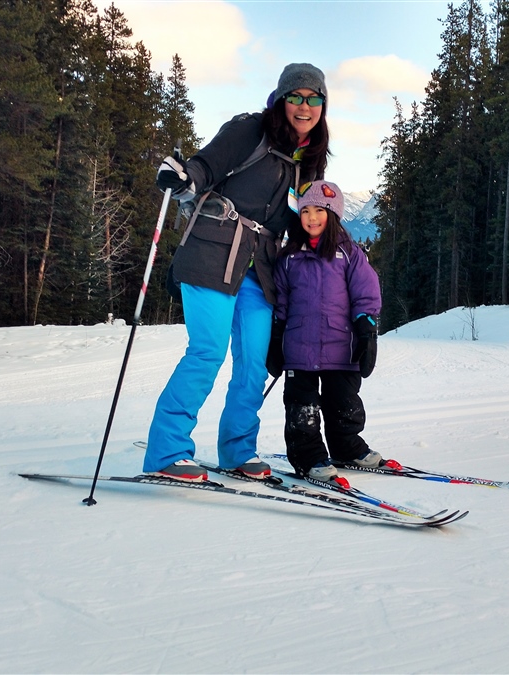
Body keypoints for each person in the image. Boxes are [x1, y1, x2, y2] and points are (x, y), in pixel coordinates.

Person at [144, 63, 330, 483]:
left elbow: (309, 218)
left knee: (253, 365)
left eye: (313, 98)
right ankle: (167, 450)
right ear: (281, 100)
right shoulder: (251, 130)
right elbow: (206, 166)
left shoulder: (311, 162)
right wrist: (183, 176)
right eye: (296, 97)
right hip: (212, 251)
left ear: (322, 105)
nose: (304, 106)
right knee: (207, 351)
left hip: (260, 267)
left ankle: (237, 450)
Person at [266, 180, 383, 485]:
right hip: (299, 348)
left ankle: (346, 447)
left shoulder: (349, 254)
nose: (312, 217)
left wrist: (366, 328)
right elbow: (281, 300)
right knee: (301, 409)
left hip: (340, 346)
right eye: (306, 210)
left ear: (333, 215)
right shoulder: (289, 258)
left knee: (344, 402)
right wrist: (276, 337)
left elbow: (366, 292)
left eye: (320, 210)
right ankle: (308, 457)